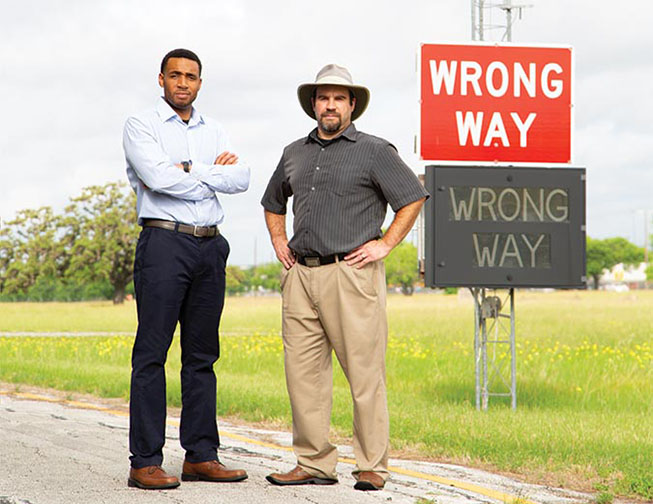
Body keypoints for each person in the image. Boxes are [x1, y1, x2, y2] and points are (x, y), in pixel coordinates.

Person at [261, 64, 428, 491]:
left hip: (351, 275)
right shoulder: (294, 152)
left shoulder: (374, 150)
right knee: (303, 375)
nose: (330, 105)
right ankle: (313, 463)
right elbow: (273, 201)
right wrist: (279, 240)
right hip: (301, 274)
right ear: (313, 105)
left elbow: (411, 198)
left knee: (364, 373)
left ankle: (372, 464)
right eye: (323, 97)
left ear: (352, 105)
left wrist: (385, 245)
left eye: (338, 98)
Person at [123, 48, 249, 490]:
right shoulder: (142, 125)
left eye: (191, 77)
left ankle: (200, 456)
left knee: (202, 356)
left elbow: (242, 178)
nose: (182, 83)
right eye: (174, 75)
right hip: (163, 243)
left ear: (200, 82)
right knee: (152, 354)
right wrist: (211, 172)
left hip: (209, 247)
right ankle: (145, 462)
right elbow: (158, 178)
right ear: (161, 80)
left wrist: (192, 169)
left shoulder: (213, 129)